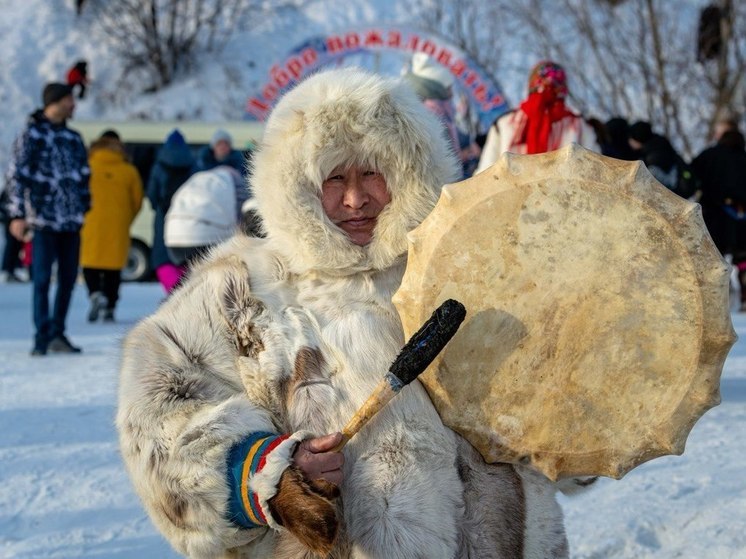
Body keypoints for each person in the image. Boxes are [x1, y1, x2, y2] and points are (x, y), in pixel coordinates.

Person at [117, 68, 569, 558]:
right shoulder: (241, 291)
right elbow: (156, 426)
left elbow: (561, 434)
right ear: (294, 187)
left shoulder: (474, 271)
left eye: (373, 172)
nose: (355, 199)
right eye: (333, 177)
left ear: (411, 173)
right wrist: (267, 474)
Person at [5, 83, 90, 355]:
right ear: (55, 102)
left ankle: (58, 333)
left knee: (67, 280)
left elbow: (84, 175)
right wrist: (17, 214)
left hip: (71, 222)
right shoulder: (31, 135)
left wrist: (84, 204)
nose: (73, 105)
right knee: (41, 280)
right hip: (42, 221)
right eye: (69, 100)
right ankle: (41, 336)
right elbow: (16, 175)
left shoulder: (73, 138)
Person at [475, 60, 599, 173]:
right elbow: (595, 176)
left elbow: (484, 175)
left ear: (530, 85)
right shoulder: (580, 126)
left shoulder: (505, 123)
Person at [80, 130, 143, 322]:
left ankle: (95, 294)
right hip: (118, 224)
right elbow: (137, 200)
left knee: (89, 263)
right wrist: (126, 218)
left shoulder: (88, 166)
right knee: (113, 268)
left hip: (90, 223)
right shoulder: (129, 170)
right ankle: (110, 306)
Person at [692, 125, 746, 307]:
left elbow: (691, 176)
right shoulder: (743, 157)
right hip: (741, 217)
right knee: (744, 258)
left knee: (714, 257)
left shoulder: (709, 155)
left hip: (713, 215)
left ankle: (716, 298)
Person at [163, 166, 248, 271]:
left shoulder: (201, 181)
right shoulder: (235, 183)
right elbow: (243, 208)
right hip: (208, 237)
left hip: (174, 236)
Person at [146, 129, 194, 294]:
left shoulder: (160, 165)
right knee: (183, 254)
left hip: (163, 214)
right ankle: (184, 291)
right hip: (185, 215)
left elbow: (152, 193)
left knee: (162, 254)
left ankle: (171, 290)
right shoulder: (192, 163)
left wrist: (157, 207)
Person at [627, 120, 695, 198]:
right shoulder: (659, 143)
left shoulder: (653, 158)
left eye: (630, 138)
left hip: (674, 195)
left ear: (638, 139)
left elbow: (659, 186)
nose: (629, 142)